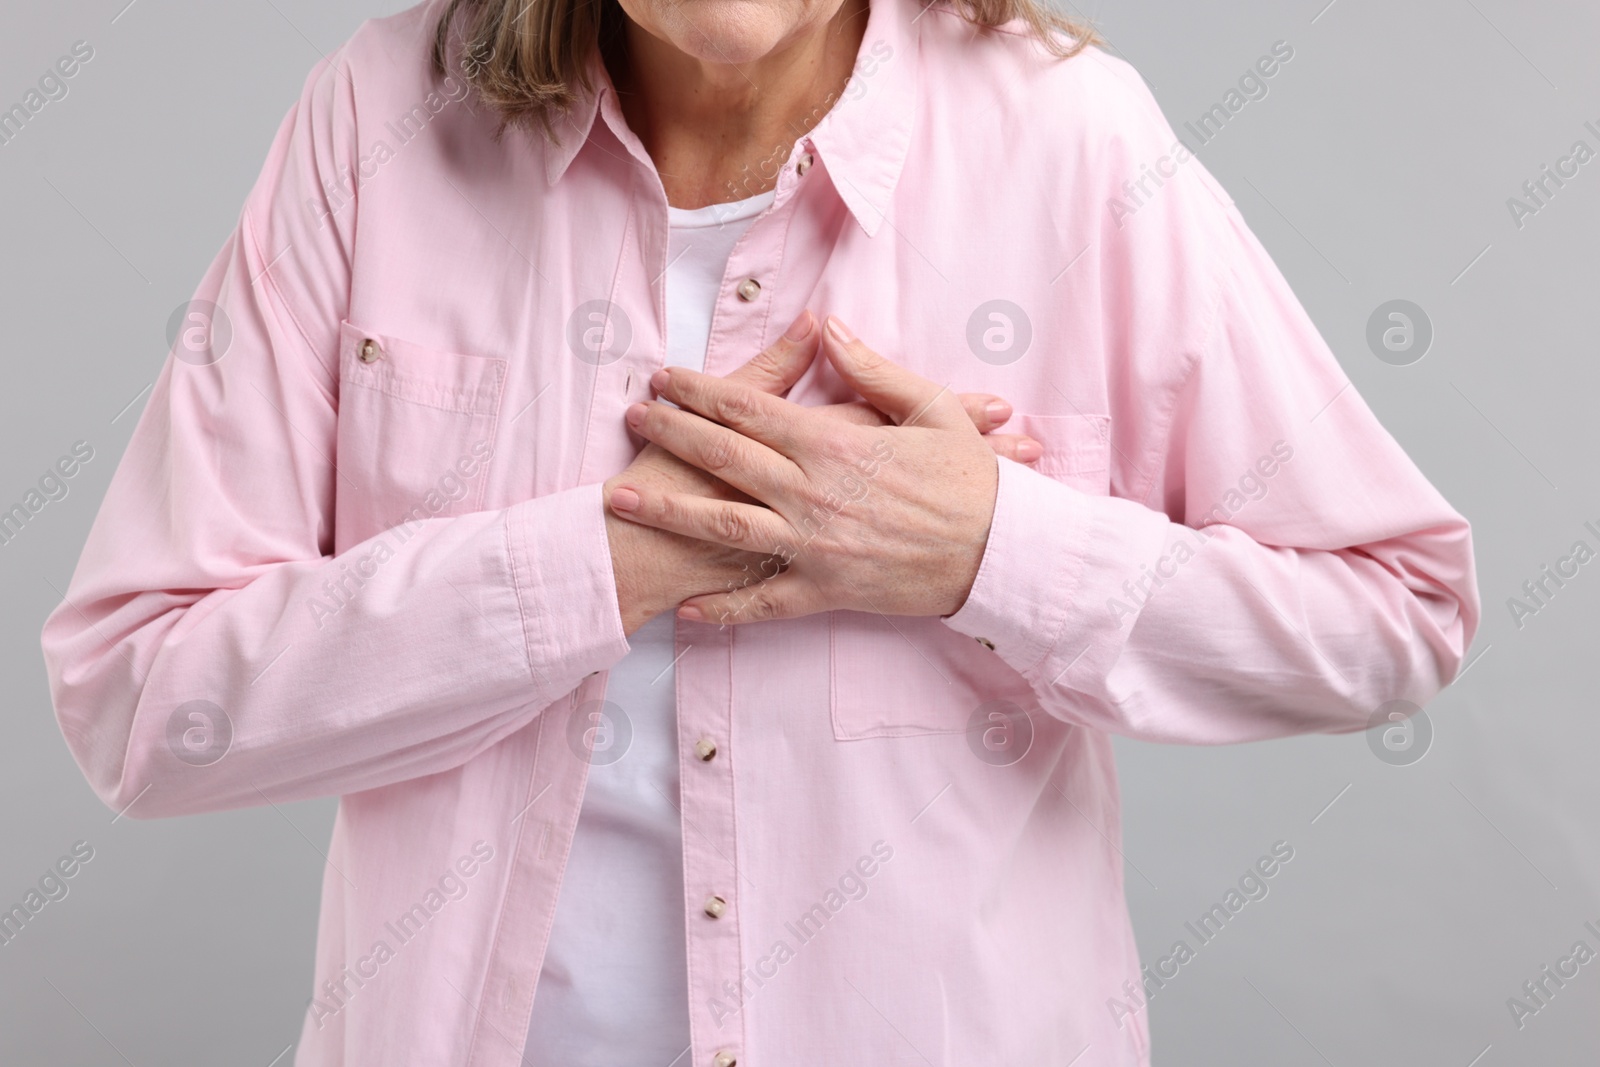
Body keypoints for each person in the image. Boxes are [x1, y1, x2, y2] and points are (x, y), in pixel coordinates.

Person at [40, 0, 1480, 1062]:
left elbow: (1394, 609)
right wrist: (620, 557)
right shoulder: (378, 124)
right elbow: (140, 693)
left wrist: (996, 551)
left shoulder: (1073, 141)